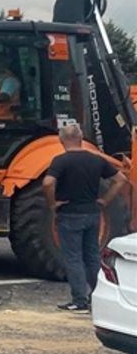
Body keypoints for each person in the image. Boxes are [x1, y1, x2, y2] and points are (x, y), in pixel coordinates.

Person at [42, 122, 128, 312]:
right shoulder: (96, 159)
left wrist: (52, 203)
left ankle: (79, 300)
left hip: (70, 214)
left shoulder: (61, 161)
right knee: (92, 257)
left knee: (73, 258)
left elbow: (47, 183)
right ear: (81, 138)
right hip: (93, 214)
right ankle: (97, 297)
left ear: (61, 140)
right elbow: (121, 180)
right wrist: (104, 200)